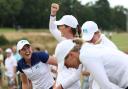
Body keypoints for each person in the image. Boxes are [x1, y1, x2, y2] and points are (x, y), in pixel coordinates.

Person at [54, 39, 128, 89]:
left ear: (71, 55)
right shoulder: (85, 50)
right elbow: (76, 76)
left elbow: (105, 86)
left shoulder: (85, 56)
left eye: (66, 64)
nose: (68, 67)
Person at [49, 3, 81, 89]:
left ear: (68, 28)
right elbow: (52, 28)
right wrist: (53, 13)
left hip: (70, 86)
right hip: (59, 85)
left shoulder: (80, 46)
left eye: (61, 26)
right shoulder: (64, 41)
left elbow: (77, 75)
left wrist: (59, 87)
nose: (59, 28)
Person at [81, 21, 118, 89]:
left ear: (98, 33)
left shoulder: (109, 48)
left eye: (91, 39)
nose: (89, 42)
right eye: (87, 40)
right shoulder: (93, 46)